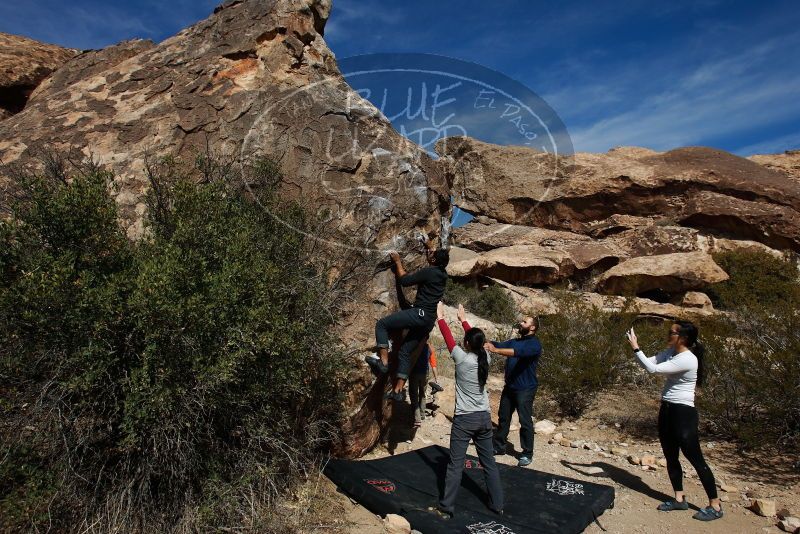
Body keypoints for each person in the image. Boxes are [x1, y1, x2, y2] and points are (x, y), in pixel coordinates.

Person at [626, 321, 723, 522]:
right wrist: (636, 350)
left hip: (683, 413)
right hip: (667, 410)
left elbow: (652, 369)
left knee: (696, 459)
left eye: (672, 332)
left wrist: (636, 347)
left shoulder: (688, 359)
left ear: (683, 338)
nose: (668, 334)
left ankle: (715, 505)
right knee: (671, 456)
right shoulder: (670, 352)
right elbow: (649, 362)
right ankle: (679, 499)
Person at [434, 301, 503, 518]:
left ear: (466, 343)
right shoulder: (486, 357)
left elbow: (446, 337)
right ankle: (497, 504)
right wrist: (463, 320)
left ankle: (447, 507)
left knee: (455, 466)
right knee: (489, 464)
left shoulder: (462, 359)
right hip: (484, 418)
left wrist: (440, 317)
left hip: (465, 420)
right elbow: (476, 340)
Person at [366, 240, 449, 402]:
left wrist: (397, 261)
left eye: (432, 255)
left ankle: (383, 363)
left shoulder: (430, 272)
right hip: (428, 321)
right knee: (405, 352)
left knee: (382, 324)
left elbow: (404, 280)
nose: (430, 255)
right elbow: (435, 258)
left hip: (419, 314)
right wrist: (430, 249)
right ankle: (397, 390)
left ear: (433, 261)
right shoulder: (443, 274)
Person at [460, 305, 541, 468]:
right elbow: (495, 343)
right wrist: (466, 324)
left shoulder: (534, 344)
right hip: (510, 386)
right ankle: (499, 446)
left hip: (525, 389)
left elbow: (517, 352)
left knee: (525, 421)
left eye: (524, 322)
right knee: (503, 417)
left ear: (532, 327)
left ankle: (527, 453)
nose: (521, 323)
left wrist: (496, 350)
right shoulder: (515, 341)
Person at [408, 340, 437, 427]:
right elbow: (433, 364)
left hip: (414, 372)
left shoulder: (413, 346)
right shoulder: (429, 348)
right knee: (422, 393)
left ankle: (417, 419)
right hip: (425, 374)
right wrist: (436, 379)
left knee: (413, 394)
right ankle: (422, 414)